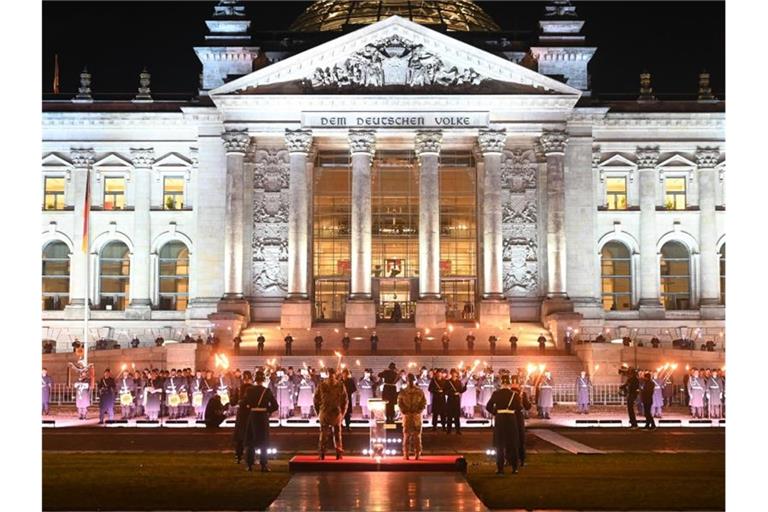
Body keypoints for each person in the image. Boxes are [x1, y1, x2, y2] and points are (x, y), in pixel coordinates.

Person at [485, 374, 522, 475]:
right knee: (513, 444)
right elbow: (519, 408)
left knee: (500, 445)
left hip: (500, 419)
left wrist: (495, 412)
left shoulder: (496, 394)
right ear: (509, 383)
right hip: (511, 419)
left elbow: (488, 406)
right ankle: (514, 468)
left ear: (501, 383)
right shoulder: (515, 395)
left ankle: (500, 469)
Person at [243, 370, 279, 472]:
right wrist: (268, 411)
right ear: (263, 380)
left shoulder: (249, 390)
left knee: (251, 441)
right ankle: (263, 465)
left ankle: (249, 465)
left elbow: (244, 403)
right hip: (262, 417)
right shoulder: (266, 391)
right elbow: (275, 406)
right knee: (264, 442)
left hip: (253, 416)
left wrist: (250, 408)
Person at [314, 368, 348, 460]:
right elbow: (345, 401)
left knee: (323, 434)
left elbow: (316, 400)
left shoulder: (322, 385)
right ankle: (338, 453)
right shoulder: (340, 385)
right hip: (335, 412)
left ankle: (322, 453)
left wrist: (318, 412)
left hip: (325, 411)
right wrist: (342, 413)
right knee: (337, 434)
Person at [398, 373, 427, 460]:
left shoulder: (419, 391)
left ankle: (417, 453)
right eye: (409, 380)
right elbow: (400, 403)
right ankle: (406, 453)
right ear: (407, 381)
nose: (410, 382)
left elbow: (423, 402)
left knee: (417, 436)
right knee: (406, 435)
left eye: (412, 380)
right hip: (407, 416)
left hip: (416, 416)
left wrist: (419, 411)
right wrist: (404, 411)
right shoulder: (403, 392)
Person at [233, 371, 254, 464]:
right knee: (250, 436)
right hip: (250, 414)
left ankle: (238, 456)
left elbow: (233, 402)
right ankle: (250, 458)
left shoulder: (239, 389)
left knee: (240, 437)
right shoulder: (253, 389)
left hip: (241, 415)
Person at [444, 369, 466, 434]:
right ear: (451, 374)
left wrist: (465, 387)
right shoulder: (448, 382)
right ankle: (449, 430)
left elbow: (461, 390)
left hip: (456, 400)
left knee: (457, 416)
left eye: (455, 373)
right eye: (453, 373)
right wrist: (452, 393)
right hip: (450, 400)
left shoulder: (459, 382)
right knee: (449, 416)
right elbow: (445, 391)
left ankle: (458, 430)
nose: (454, 374)